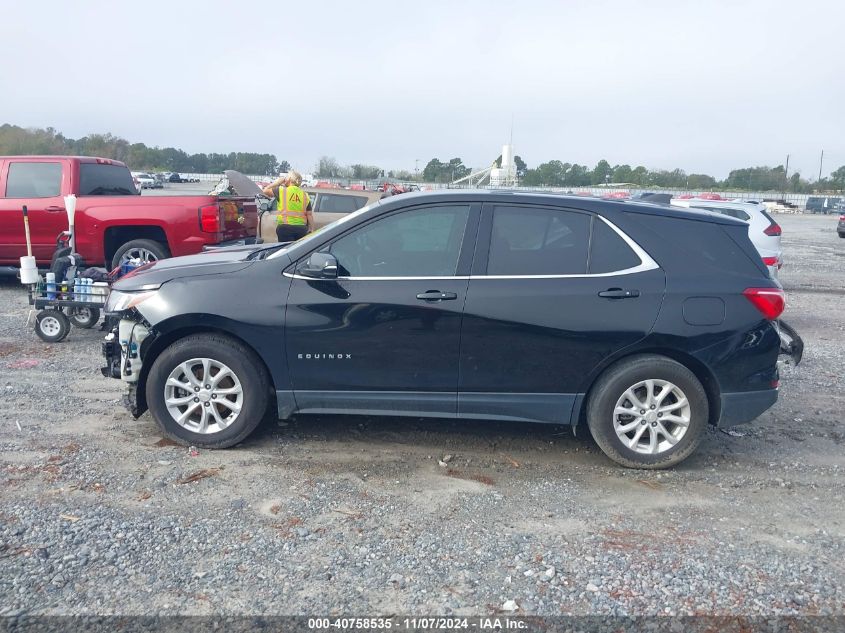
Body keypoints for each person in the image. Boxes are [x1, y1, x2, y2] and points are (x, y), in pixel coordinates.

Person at [262, 170, 313, 242]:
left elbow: (265, 190)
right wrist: (311, 228)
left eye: (286, 177)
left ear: (289, 179)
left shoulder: (282, 191)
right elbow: (309, 214)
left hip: (285, 228)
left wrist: (278, 182)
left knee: (286, 251)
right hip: (302, 229)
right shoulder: (305, 195)